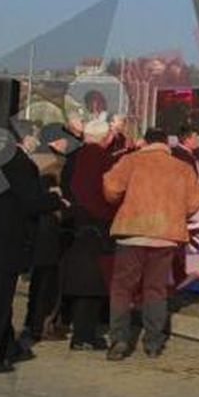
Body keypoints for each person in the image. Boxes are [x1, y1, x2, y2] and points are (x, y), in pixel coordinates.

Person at [0, 123, 65, 374]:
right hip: (7, 244)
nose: (37, 142)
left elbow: (7, 202)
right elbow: (29, 203)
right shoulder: (21, 165)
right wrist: (55, 198)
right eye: (35, 136)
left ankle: (8, 347)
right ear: (26, 139)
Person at [102, 127, 199, 361]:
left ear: (145, 142)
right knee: (155, 289)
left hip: (132, 232)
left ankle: (119, 339)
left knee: (122, 288)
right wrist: (176, 213)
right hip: (165, 236)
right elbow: (194, 202)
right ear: (167, 143)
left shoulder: (131, 161)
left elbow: (111, 189)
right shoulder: (182, 168)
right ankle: (154, 343)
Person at [60, 119, 117, 351]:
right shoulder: (104, 160)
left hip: (74, 224)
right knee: (93, 284)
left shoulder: (73, 158)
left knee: (79, 280)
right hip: (98, 229)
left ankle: (72, 325)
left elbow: (66, 186)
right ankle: (84, 334)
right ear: (105, 138)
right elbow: (111, 192)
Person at [21, 123, 77, 344]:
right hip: (50, 224)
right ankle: (43, 323)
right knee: (48, 279)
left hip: (38, 226)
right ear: (55, 141)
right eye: (65, 140)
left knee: (40, 278)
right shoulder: (52, 163)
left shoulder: (36, 159)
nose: (67, 145)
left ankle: (34, 322)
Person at [171, 124, 199, 189]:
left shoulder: (191, 154)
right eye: (195, 138)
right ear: (186, 140)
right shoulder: (181, 156)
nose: (197, 141)